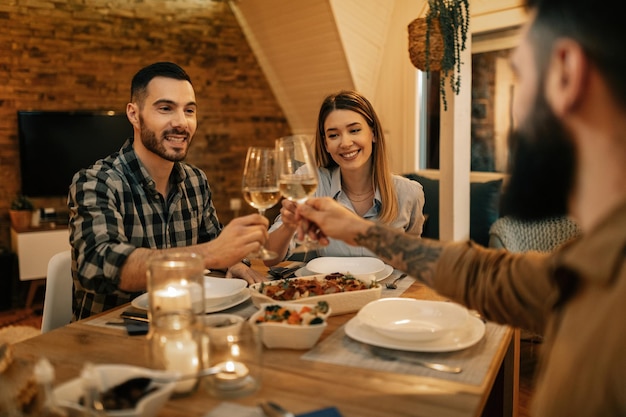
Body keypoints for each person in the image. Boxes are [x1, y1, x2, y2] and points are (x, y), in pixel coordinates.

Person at [296, 1, 626, 415]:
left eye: (520, 74)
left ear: (567, 73)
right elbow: (484, 275)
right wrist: (357, 230)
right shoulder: (593, 260)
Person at [68, 62, 269, 320]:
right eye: (165, 108)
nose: (181, 122)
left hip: (182, 327)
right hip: (110, 337)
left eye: (189, 110)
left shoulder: (196, 181)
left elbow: (216, 244)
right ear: (133, 114)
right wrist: (209, 254)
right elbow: (97, 266)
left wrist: (234, 262)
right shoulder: (96, 181)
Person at [264, 90, 425, 265]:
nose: (345, 143)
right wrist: (289, 226)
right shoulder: (310, 182)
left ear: (373, 134)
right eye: (334, 135)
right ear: (326, 144)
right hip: (333, 291)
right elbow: (270, 258)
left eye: (354, 130)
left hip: (390, 292)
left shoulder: (409, 193)